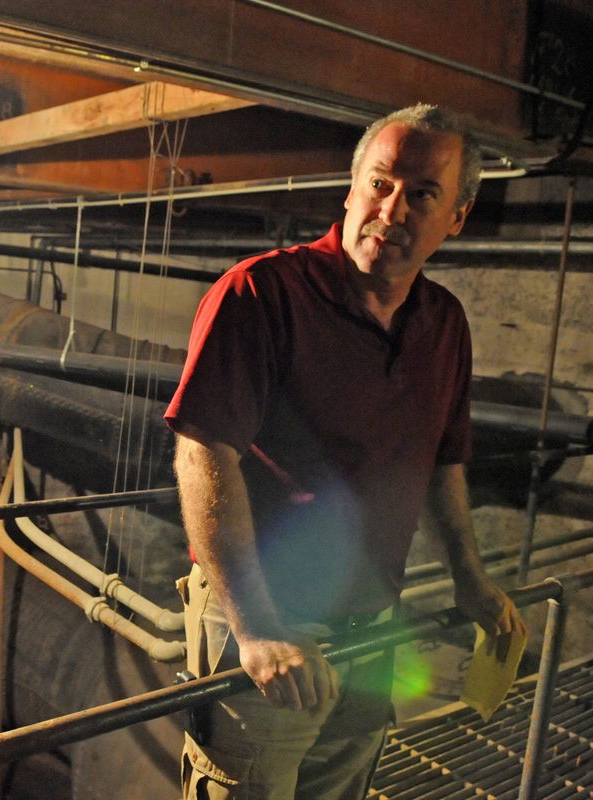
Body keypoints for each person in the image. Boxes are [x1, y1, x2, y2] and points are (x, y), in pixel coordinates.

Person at [164, 103, 527, 800]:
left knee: (340, 787)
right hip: (271, 614)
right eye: (381, 184)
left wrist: (469, 577)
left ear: (458, 216)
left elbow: (444, 462)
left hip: (372, 620)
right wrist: (258, 628)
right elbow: (203, 455)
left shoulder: (444, 323)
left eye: (423, 194)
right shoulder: (262, 293)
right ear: (351, 187)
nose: (392, 211)